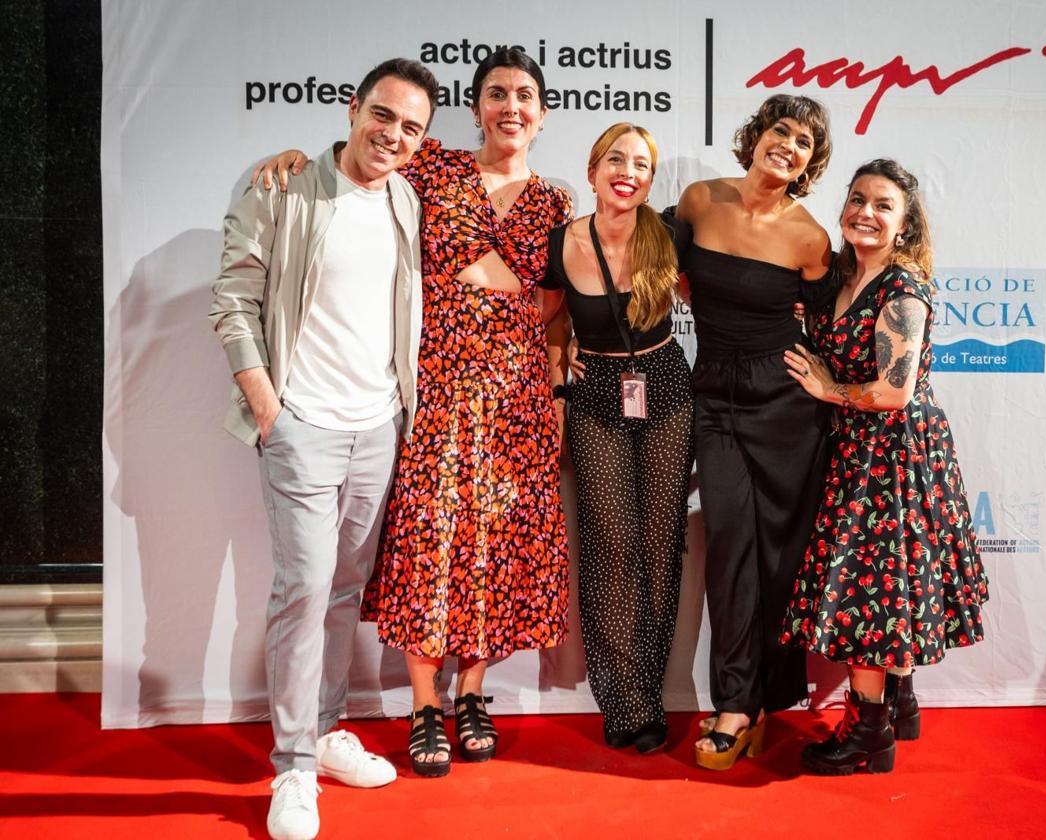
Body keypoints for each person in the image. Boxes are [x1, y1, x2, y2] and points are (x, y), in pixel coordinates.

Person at [253, 48, 572, 778]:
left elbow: (556, 314)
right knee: (429, 545)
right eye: (497, 94)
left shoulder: (556, 202)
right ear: (477, 107)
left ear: (543, 113)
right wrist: (295, 158)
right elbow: (351, 174)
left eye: (525, 95)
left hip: (517, 399)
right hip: (432, 387)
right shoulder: (431, 170)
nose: (511, 107)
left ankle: (473, 693)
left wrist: (552, 391)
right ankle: (424, 702)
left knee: (496, 546)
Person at [211, 58, 436, 840]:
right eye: (384, 116)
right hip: (300, 424)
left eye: (412, 127)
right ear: (351, 109)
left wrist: (397, 415)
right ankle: (294, 767)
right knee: (304, 591)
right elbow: (233, 300)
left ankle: (329, 728)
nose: (395, 135)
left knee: (344, 589)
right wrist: (269, 407)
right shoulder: (284, 188)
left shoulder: (406, 197)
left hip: (377, 426)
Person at [781, 158, 989, 775]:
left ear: (904, 224)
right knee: (888, 587)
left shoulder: (902, 289)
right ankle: (899, 703)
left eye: (883, 205)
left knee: (869, 593)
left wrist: (828, 390)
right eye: (857, 199)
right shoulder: (840, 279)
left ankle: (867, 734)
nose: (865, 213)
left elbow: (894, 391)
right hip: (857, 451)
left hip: (893, 455)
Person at [674, 94, 838, 770]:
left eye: (804, 143)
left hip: (786, 407)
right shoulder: (698, 200)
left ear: (809, 164)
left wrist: (834, 385)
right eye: (782, 130)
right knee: (731, 545)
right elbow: (657, 263)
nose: (789, 146)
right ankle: (735, 702)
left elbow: (836, 325)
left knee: (780, 557)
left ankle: (766, 701)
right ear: (758, 136)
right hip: (713, 396)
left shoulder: (810, 237)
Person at [541, 123, 693, 753]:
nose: (627, 172)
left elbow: (722, 298)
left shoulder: (670, 235)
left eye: (640, 165)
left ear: (650, 181)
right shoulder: (562, 240)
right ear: (593, 167)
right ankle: (622, 699)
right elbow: (548, 319)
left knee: (660, 545)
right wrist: (557, 371)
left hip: (665, 387)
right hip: (597, 394)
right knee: (610, 545)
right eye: (615, 159)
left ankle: (649, 692)